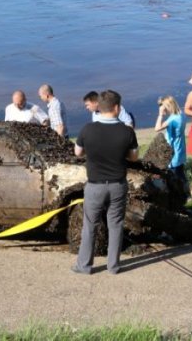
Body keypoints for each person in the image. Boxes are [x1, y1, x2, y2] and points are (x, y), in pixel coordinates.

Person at [72, 90, 138, 275]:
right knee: (115, 225)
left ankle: (84, 266)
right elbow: (134, 157)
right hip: (117, 185)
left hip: (94, 186)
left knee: (90, 225)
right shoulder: (127, 132)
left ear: (99, 107)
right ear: (117, 108)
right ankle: (113, 266)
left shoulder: (87, 129)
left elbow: (78, 152)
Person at [155, 96, 188, 193]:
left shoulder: (171, 120)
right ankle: (187, 195)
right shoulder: (181, 114)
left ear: (167, 106)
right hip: (181, 148)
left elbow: (157, 128)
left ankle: (178, 197)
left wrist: (160, 114)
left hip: (173, 152)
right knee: (181, 174)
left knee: (173, 176)